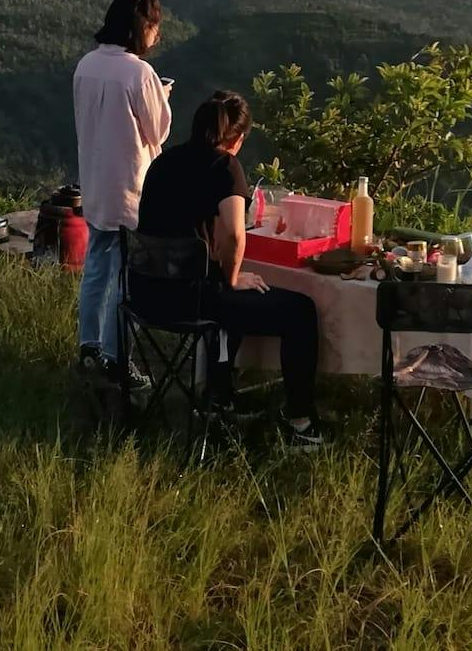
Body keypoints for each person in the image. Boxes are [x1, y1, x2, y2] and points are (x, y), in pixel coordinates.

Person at [129, 91, 330, 448]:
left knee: (228, 296)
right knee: (300, 311)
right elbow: (236, 235)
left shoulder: (164, 161)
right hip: (191, 300)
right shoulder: (224, 166)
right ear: (236, 139)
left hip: (144, 294)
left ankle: (219, 398)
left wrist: (225, 278)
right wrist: (232, 279)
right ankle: (300, 422)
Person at [69, 0, 171, 384]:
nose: (155, 35)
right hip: (130, 191)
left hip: (95, 184)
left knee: (96, 266)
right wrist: (162, 96)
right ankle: (117, 356)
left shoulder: (86, 65)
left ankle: (89, 346)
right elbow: (158, 130)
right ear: (139, 26)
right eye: (154, 26)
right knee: (127, 277)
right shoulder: (138, 72)